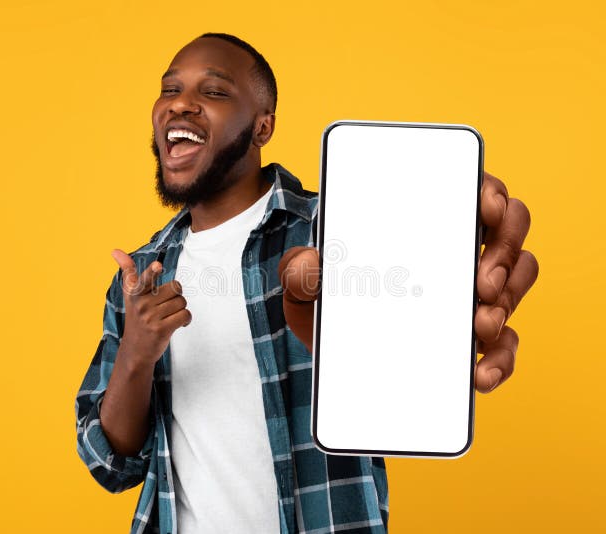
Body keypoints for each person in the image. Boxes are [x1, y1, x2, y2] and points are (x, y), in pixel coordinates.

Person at [74, 32, 538, 534]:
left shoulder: (339, 233)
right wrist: (137, 354)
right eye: (169, 90)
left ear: (262, 126)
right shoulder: (141, 275)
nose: (180, 104)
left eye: (214, 92)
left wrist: (454, 241)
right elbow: (110, 464)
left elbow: (411, 346)